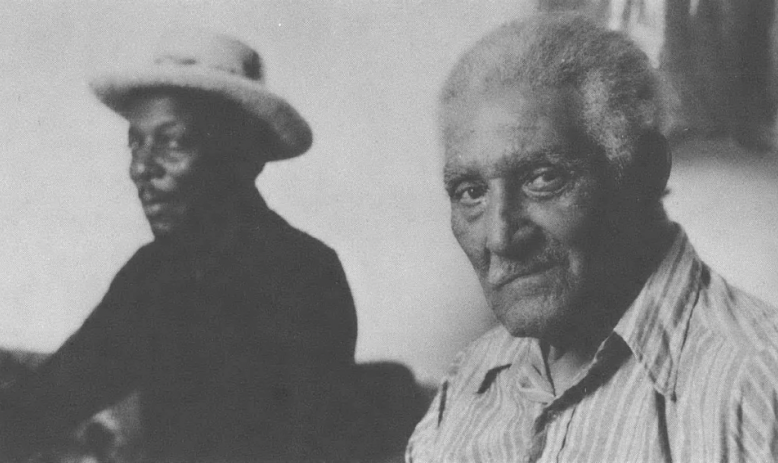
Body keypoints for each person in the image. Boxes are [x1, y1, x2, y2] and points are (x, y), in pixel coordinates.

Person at [406, 13, 778, 462]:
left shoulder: (756, 384)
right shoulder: (469, 382)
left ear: (645, 172)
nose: (501, 237)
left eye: (543, 178)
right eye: (471, 192)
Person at [0, 30, 357, 462]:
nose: (141, 169)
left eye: (173, 142)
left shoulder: (304, 275)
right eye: (135, 141)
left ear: (242, 157)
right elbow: (47, 402)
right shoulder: (153, 274)